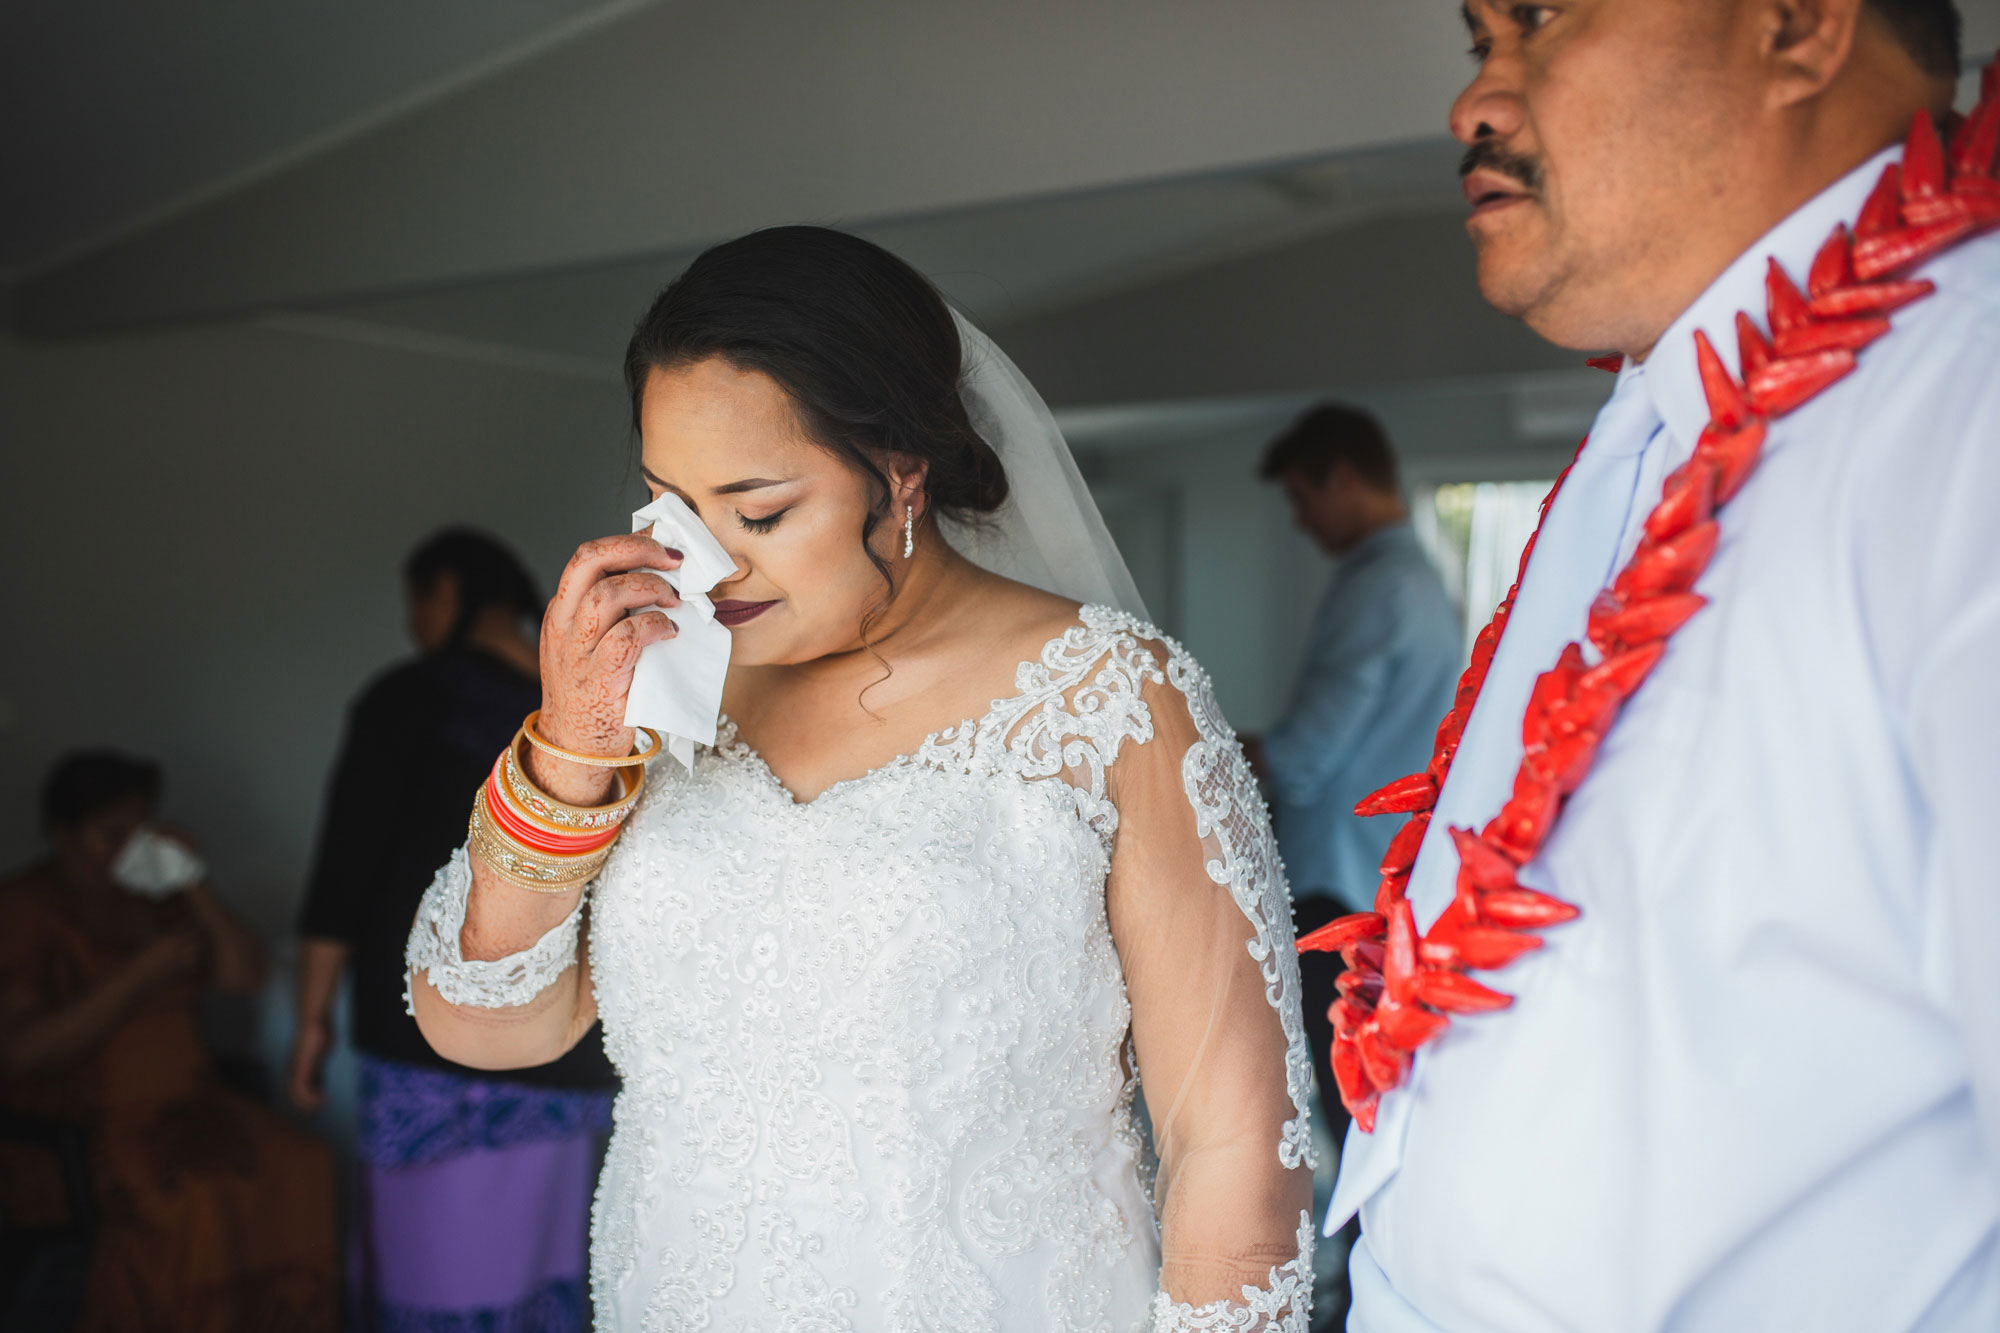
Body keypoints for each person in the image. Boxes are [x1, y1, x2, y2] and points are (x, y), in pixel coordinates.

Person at [402, 225, 1316, 1329]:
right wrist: (569, 746)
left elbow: (1229, 1146)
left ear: (899, 473)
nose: (711, 564)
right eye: (673, 506)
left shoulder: (1107, 699)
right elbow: (484, 1023)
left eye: (762, 512)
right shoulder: (664, 691)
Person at [1312, 2, 2000, 1329]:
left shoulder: (1963, 411)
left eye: (1542, 22)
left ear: (1797, 27)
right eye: (1478, 46)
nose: (1477, 108)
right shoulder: (1648, 427)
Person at [291, 528, 618, 1332]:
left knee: (430, 1264)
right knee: (538, 1261)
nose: (414, 622)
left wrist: (310, 1021)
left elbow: (347, 867)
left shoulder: (410, 698)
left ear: (447, 593)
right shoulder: (597, 713)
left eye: (418, 601)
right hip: (568, 1035)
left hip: (426, 1037)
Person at [0, 752, 336, 1331]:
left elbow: (245, 975)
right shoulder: (24, 909)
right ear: (63, 836)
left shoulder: (154, 898)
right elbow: (19, 1052)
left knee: (301, 1164)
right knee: (196, 1199)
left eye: (141, 831)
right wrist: (134, 980)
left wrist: (193, 879)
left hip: (193, 1102)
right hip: (96, 1122)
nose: (129, 849)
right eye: (111, 836)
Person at [1248, 405, 1461, 1115]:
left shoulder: (1381, 587)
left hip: (1336, 879)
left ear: (1342, 478)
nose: (1300, 522)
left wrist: (1193, 748)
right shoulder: (1418, 578)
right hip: (1372, 864)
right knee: (1358, 1084)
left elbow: (1305, 753)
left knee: (1347, 1089)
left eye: (1302, 499)